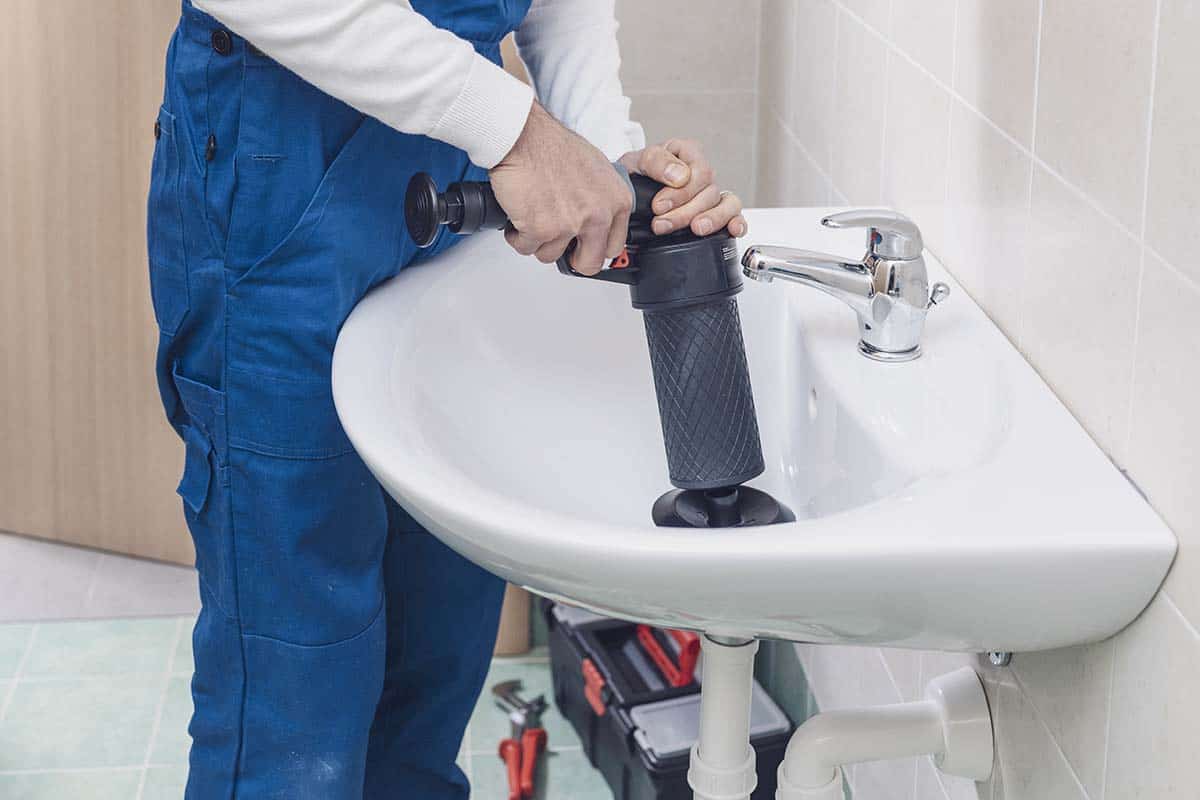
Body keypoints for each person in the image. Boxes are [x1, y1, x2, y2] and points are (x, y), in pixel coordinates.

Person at [146, 1, 746, 797]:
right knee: (296, 694)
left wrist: (602, 161)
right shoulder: (497, 122)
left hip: (455, 167)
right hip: (283, 172)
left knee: (435, 651)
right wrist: (521, 132)